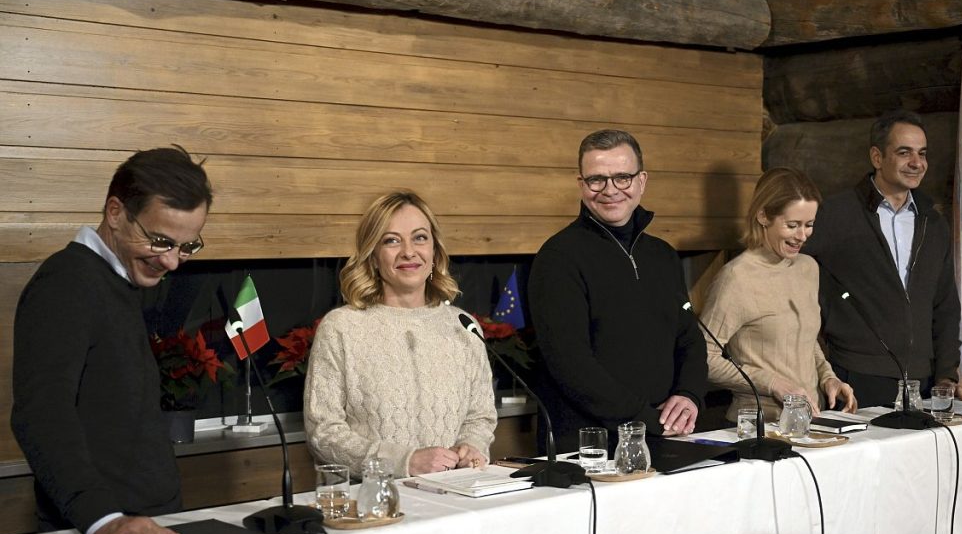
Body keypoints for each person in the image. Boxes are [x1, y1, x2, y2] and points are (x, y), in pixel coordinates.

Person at [11, 146, 212, 534]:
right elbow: (41, 415)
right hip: (104, 532)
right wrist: (103, 520)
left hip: (146, 524)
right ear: (116, 212)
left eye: (186, 246)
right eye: (160, 240)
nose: (172, 262)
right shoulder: (67, 284)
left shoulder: (118, 281)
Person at [528, 129, 708, 454]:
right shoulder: (558, 258)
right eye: (597, 179)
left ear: (641, 181)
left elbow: (690, 340)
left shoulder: (663, 256)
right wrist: (646, 420)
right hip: (589, 447)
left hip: (662, 435)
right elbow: (571, 365)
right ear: (582, 184)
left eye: (622, 177)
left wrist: (689, 394)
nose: (610, 190)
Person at [304, 190, 496, 477]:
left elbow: (480, 417)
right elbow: (324, 432)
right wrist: (402, 462)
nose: (409, 251)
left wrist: (472, 447)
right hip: (374, 503)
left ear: (435, 251)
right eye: (391, 240)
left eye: (420, 237)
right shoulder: (342, 327)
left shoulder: (463, 326)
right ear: (372, 256)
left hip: (456, 496)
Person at [802, 109, 962, 407]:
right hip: (857, 378)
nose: (917, 163)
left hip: (925, 381)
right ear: (877, 157)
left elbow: (945, 304)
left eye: (922, 153)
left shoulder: (933, 223)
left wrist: (947, 375)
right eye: (904, 152)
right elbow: (791, 273)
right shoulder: (835, 214)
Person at [701, 168, 857, 422]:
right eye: (792, 225)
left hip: (812, 422)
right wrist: (772, 383)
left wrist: (828, 377)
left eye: (809, 225)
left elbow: (807, 342)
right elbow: (704, 357)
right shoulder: (736, 277)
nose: (802, 236)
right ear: (763, 216)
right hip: (759, 426)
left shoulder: (808, 267)